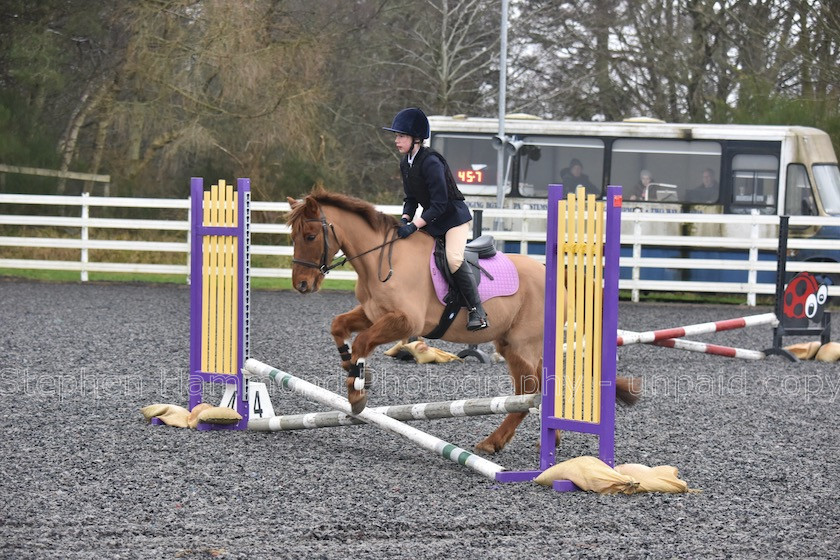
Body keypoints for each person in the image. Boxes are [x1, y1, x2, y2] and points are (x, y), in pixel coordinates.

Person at [383, 107, 488, 330]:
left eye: (401, 136)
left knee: (453, 259)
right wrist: (404, 219)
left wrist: (414, 225)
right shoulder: (406, 163)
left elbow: (440, 204)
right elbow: (410, 198)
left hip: (453, 219)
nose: (396, 140)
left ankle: (477, 310)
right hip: (433, 220)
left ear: (416, 139)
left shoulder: (431, 162)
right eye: (396, 136)